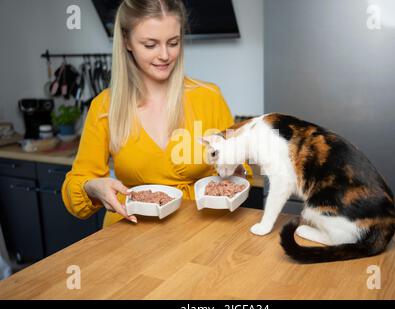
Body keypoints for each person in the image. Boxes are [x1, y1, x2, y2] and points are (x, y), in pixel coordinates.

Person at [62, 0, 252, 228]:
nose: (165, 55)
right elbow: (76, 192)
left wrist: (236, 167)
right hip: (128, 233)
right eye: (150, 45)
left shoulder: (209, 96)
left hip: (199, 230)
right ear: (126, 42)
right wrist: (91, 187)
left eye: (173, 42)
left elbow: (240, 168)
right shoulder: (104, 106)